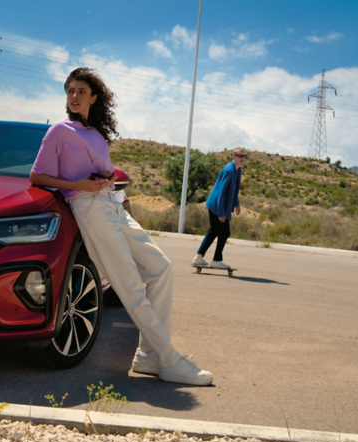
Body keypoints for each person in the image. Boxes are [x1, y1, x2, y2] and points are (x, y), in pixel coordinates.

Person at [30, 67, 213, 386]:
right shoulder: (59, 131)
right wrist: (79, 186)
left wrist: (108, 178)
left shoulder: (97, 134)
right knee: (129, 285)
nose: (74, 96)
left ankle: (147, 356)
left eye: (81, 91)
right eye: (70, 91)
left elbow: (100, 171)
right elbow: (38, 176)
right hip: (88, 207)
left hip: (111, 203)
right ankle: (170, 360)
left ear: (94, 97)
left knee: (161, 267)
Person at [193, 148, 247, 269]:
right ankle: (216, 260)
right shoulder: (229, 170)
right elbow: (221, 193)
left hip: (220, 206)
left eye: (244, 156)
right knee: (224, 232)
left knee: (214, 231)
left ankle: (199, 257)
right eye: (240, 156)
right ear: (233, 156)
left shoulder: (237, 170)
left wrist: (236, 204)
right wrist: (221, 212)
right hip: (217, 206)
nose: (242, 158)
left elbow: (234, 191)